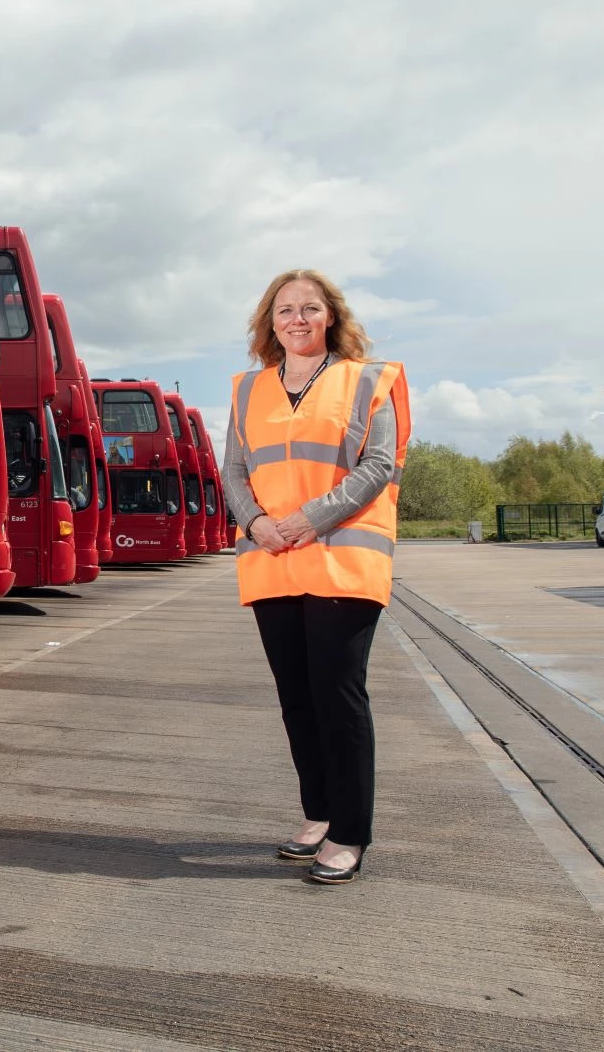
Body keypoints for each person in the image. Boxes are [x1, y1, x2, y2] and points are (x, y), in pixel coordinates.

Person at [222, 268, 410, 885]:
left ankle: (351, 831)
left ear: (331, 316)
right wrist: (255, 525)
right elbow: (234, 471)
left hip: (342, 557)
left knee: (337, 692)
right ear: (267, 322)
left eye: (308, 308)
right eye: (283, 310)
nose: (296, 319)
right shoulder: (249, 389)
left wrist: (305, 518)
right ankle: (320, 813)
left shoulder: (367, 380)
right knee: (296, 696)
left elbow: (378, 464)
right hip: (274, 557)